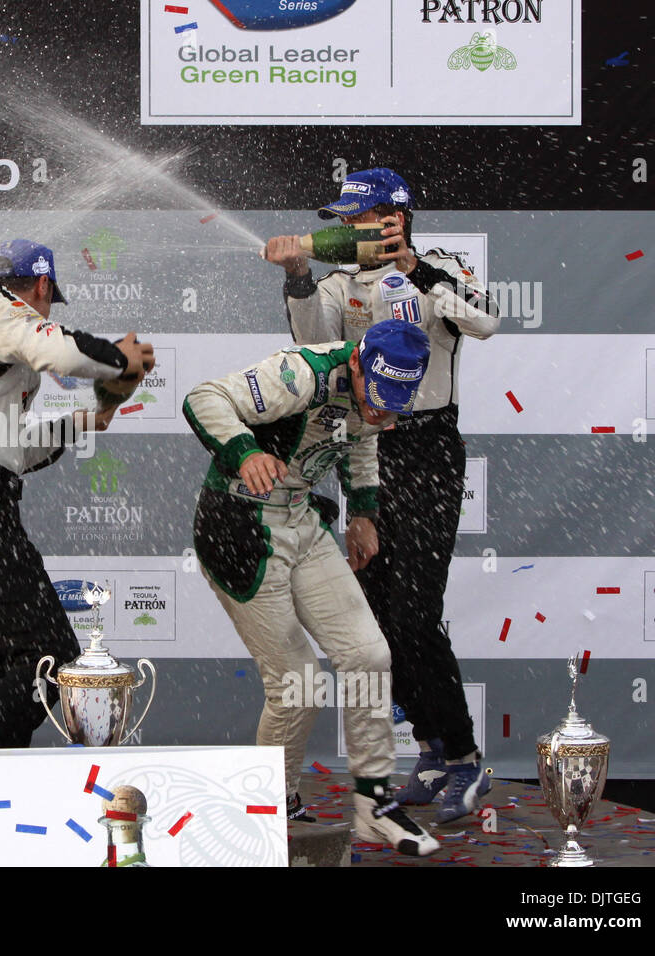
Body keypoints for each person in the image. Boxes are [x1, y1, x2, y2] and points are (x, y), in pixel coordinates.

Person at [265, 167, 500, 823]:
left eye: (358, 218)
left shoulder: (442, 268)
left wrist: (415, 270)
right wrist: (296, 276)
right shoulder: (341, 282)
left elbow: (485, 321)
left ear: (393, 217)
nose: (347, 230)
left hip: (428, 449)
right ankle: (429, 752)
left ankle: (463, 761)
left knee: (417, 614)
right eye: (343, 221)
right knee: (379, 623)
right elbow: (315, 346)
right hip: (368, 450)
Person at [184, 320, 438, 856]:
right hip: (240, 524)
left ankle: (373, 804)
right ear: (355, 365)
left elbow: (363, 439)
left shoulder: (378, 400)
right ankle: (265, 807)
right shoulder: (301, 374)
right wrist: (247, 452)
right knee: (298, 681)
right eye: (378, 395)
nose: (382, 413)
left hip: (302, 518)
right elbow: (203, 397)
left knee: (368, 654)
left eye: (396, 403)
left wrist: (365, 512)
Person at [0, 239, 154, 749]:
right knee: (52, 655)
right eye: (48, 300)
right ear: (41, 287)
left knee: (0, 673)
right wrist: (118, 359)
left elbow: (12, 449)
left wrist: (90, 418)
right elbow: (57, 349)